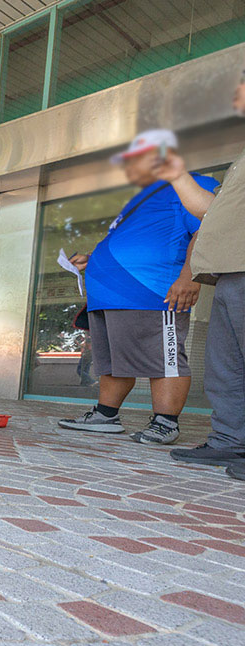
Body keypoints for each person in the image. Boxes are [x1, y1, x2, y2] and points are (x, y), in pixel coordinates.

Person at [57, 130, 217, 445]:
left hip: (152, 290)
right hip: (109, 292)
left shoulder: (197, 185)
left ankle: (165, 422)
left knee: (165, 358)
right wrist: (93, 259)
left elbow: (205, 230)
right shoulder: (140, 197)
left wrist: (189, 276)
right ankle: (105, 415)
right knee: (113, 358)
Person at [172, 72, 245, 480]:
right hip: (231, 269)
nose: (235, 91)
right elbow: (214, 213)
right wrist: (176, 174)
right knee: (226, 367)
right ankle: (230, 441)